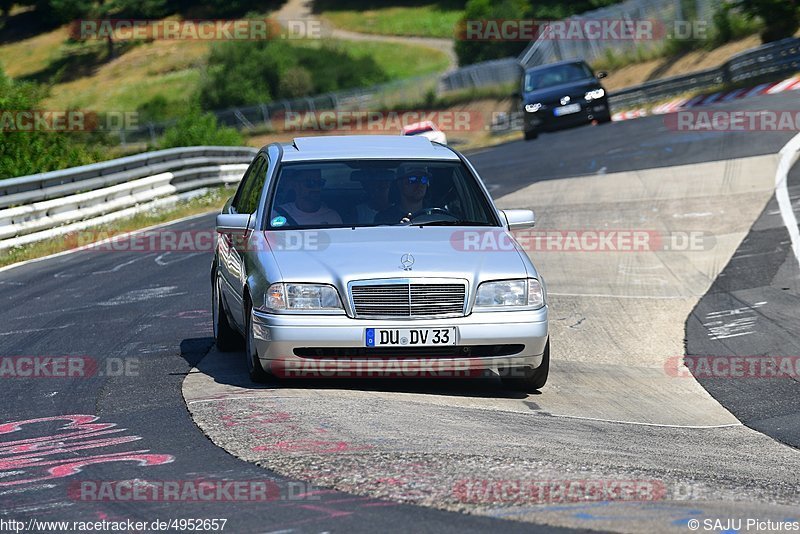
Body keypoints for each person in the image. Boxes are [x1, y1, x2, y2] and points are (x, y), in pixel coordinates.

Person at [274, 168, 342, 226]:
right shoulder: (278, 215)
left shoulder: (332, 216)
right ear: (295, 186)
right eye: (310, 183)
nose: (316, 188)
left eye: (320, 183)